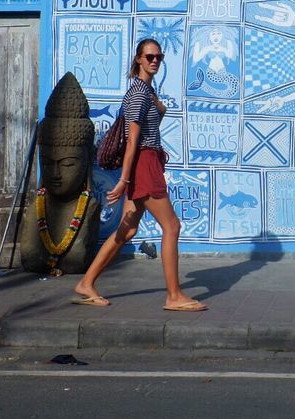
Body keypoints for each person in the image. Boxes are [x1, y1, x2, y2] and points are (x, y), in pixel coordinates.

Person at [73, 38, 205, 311]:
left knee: (128, 229)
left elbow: (157, 115)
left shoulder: (146, 91)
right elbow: (131, 140)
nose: (155, 61)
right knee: (172, 226)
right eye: (149, 57)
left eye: (159, 57)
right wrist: (124, 180)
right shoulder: (138, 94)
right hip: (143, 164)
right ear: (138, 60)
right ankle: (174, 296)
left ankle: (86, 283)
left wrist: (155, 104)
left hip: (148, 160)